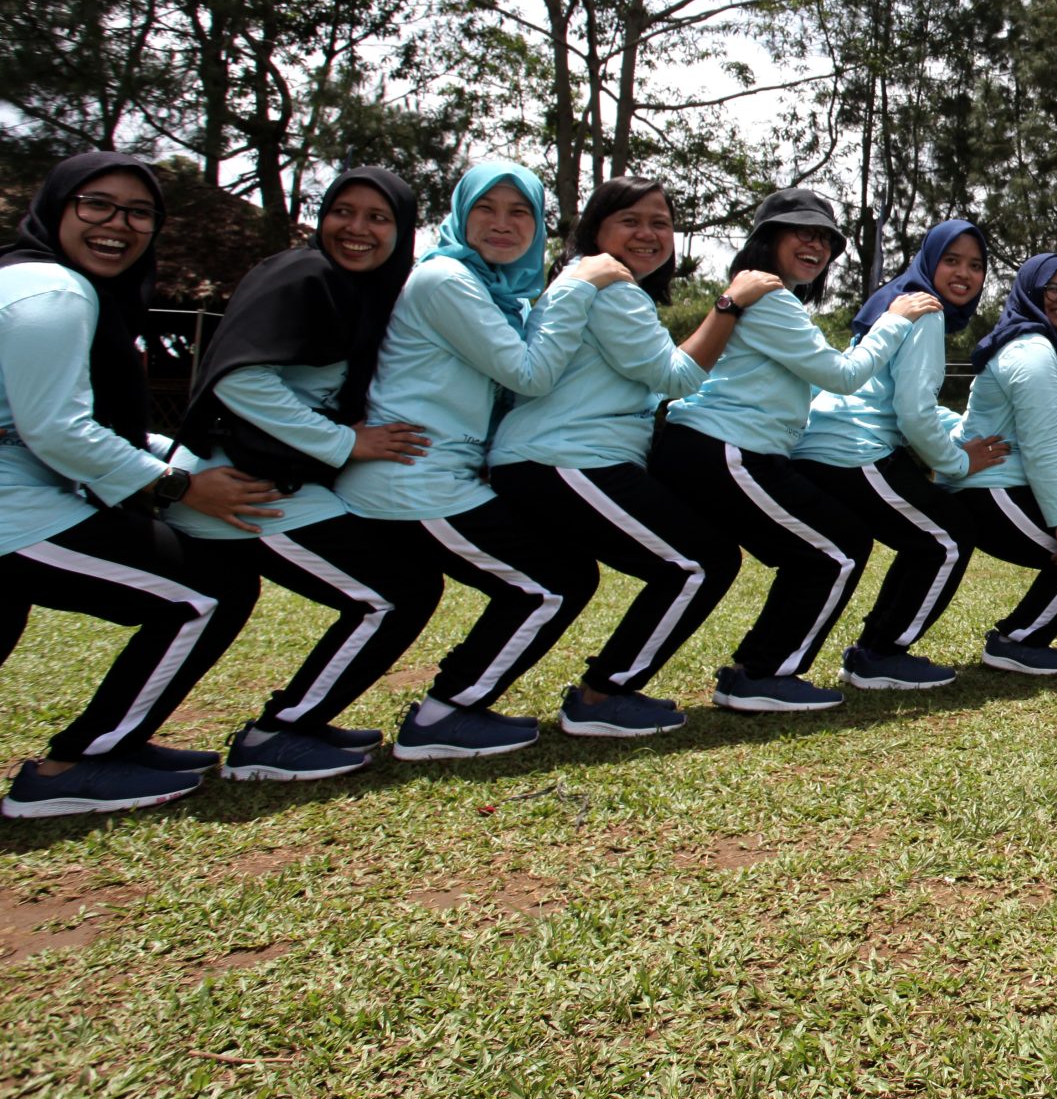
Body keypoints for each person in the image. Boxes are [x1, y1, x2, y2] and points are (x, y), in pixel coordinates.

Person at [0, 154, 264, 817]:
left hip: (25, 494)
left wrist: (190, 459)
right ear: (58, 206)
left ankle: (114, 743)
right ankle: (77, 764)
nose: (118, 224)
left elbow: (77, 420)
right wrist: (179, 484)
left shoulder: (39, 280)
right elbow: (58, 429)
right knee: (207, 590)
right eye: (97, 204)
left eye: (139, 211)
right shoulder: (54, 292)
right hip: (14, 510)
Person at [335, 161, 626, 760]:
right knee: (551, 583)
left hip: (445, 476)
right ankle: (445, 714)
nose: (503, 223)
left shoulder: (494, 290)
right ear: (460, 214)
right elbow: (530, 373)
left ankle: (444, 706)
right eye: (486, 209)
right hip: (416, 480)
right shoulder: (446, 279)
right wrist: (577, 283)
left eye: (520, 211)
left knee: (554, 576)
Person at [168, 168, 447, 782]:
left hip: (274, 477)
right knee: (396, 591)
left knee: (232, 601)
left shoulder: (356, 291)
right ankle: (280, 733)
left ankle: (287, 723)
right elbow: (239, 380)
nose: (357, 228)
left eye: (379, 218)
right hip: (240, 483)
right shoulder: (304, 274)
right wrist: (345, 443)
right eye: (343, 211)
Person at [486, 177, 783, 738]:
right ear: (596, 229)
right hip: (566, 459)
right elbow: (675, 375)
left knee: (586, 576)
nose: (648, 234)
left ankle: (478, 702)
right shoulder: (612, 290)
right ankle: (602, 696)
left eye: (661, 223)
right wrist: (730, 303)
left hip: (558, 459)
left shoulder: (597, 287)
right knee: (699, 561)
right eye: (630, 220)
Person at [651, 189, 940, 713]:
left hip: (726, 448)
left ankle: (756, 669)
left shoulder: (771, 301)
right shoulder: (771, 299)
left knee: (825, 547)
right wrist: (895, 319)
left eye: (825, 237)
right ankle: (761, 674)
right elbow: (843, 375)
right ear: (767, 240)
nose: (816, 244)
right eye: (800, 231)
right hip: (725, 448)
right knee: (835, 547)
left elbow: (822, 379)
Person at [792, 220, 1007, 691]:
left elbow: (895, 398)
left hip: (823, 444)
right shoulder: (925, 311)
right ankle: (881, 655)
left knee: (919, 538)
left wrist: (958, 429)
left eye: (976, 265)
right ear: (930, 261)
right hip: (854, 450)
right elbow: (912, 413)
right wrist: (959, 461)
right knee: (949, 535)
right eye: (951, 260)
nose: (964, 274)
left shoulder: (899, 299)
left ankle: (871, 651)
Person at [943, 254, 1057, 674]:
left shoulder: (1038, 344)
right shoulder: (1035, 353)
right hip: (990, 489)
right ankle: (1016, 641)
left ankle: (1019, 636)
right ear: (1030, 292)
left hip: (1005, 483)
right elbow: (1041, 450)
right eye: (1053, 289)